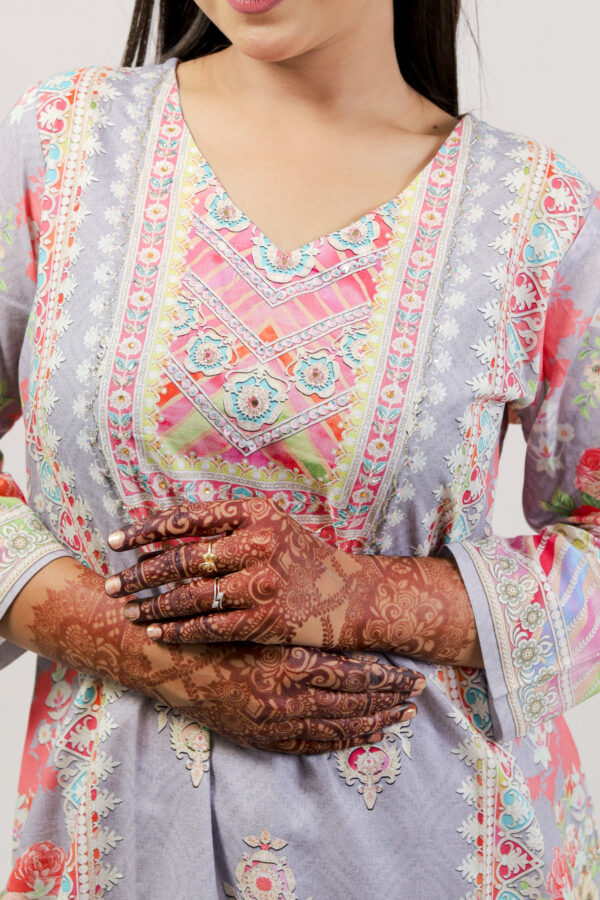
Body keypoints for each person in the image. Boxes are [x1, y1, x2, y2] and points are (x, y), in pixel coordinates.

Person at [0, 0, 599, 896]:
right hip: (120, 846)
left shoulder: (535, 215)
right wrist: (145, 652)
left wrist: (363, 597)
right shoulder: (64, 147)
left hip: (441, 851)